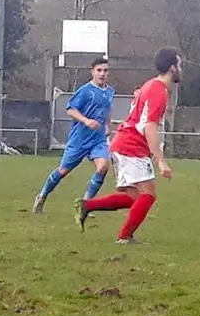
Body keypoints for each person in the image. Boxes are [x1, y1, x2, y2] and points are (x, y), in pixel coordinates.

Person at [74, 47, 180, 244]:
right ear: (173, 67)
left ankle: (87, 206)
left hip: (124, 143)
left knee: (133, 197)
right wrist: (161, 161)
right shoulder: (158, 90)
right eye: (179, 64)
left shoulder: (150, 85)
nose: (181, 69)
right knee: (148, 195)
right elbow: (149, 126)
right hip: (132, 146)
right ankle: (125, 237)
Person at [33, 58, 115, 214]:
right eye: (99, 70)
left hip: (97, 140)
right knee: (63, 171)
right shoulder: (85, 91)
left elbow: (107, 109)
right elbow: (70, 109)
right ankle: (42, 195)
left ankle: (85, 205)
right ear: (92, 72)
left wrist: (107, 125)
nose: (102, 74)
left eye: (105, 70)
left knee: (103, 167)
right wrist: (86, 120)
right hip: (79, 140)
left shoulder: (110, 91)